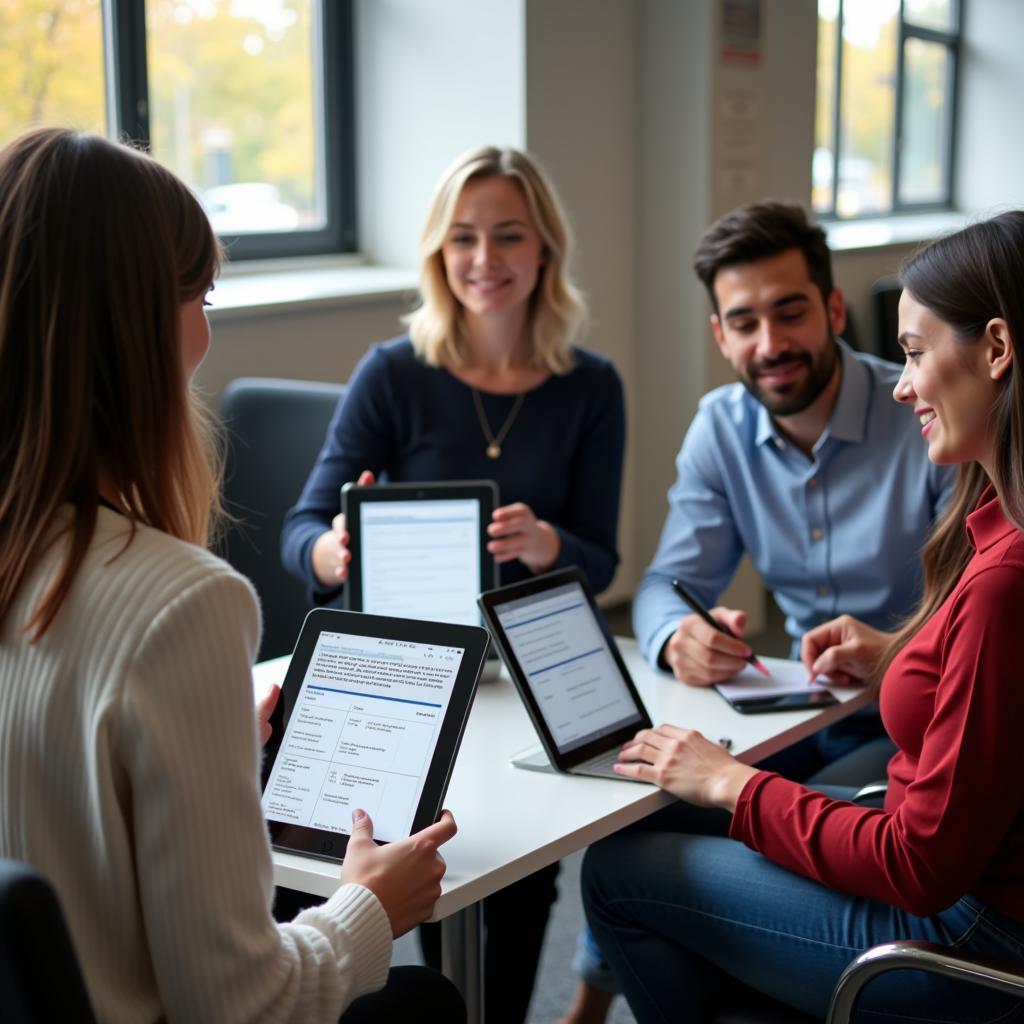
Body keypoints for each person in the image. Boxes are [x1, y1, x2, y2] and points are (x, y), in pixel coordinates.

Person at [0, 127, 464, 1024]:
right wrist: (369, 904)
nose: (205, 330)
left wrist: (195, 740)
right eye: (199, 296)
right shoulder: (181, 604)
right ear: (140, 326)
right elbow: (243, 1006)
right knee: (426, 1003)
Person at [581, 211, 1024, 1022]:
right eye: (743, 322)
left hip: (964, 936)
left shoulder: (997, 559)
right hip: (931, 831)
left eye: (917, 354)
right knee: (666, 822)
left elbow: (919, 863)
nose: (903, 382)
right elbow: (663, 584)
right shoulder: (996, 520)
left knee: (616, 873)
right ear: (720, 332)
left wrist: (731, 783)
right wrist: (681, 635)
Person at [280, 145, 626, 1024]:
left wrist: (550, 544)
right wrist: (338, 553)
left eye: (508, 235)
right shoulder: (393, 370)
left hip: (522, 673)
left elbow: (604, 561)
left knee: (512, 875)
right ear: (439, 251)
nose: (485, 259)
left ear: (545, 247)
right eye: (463, 238)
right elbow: (302, 530)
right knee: (346, 858)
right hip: (407, 673)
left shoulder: (592, 387)